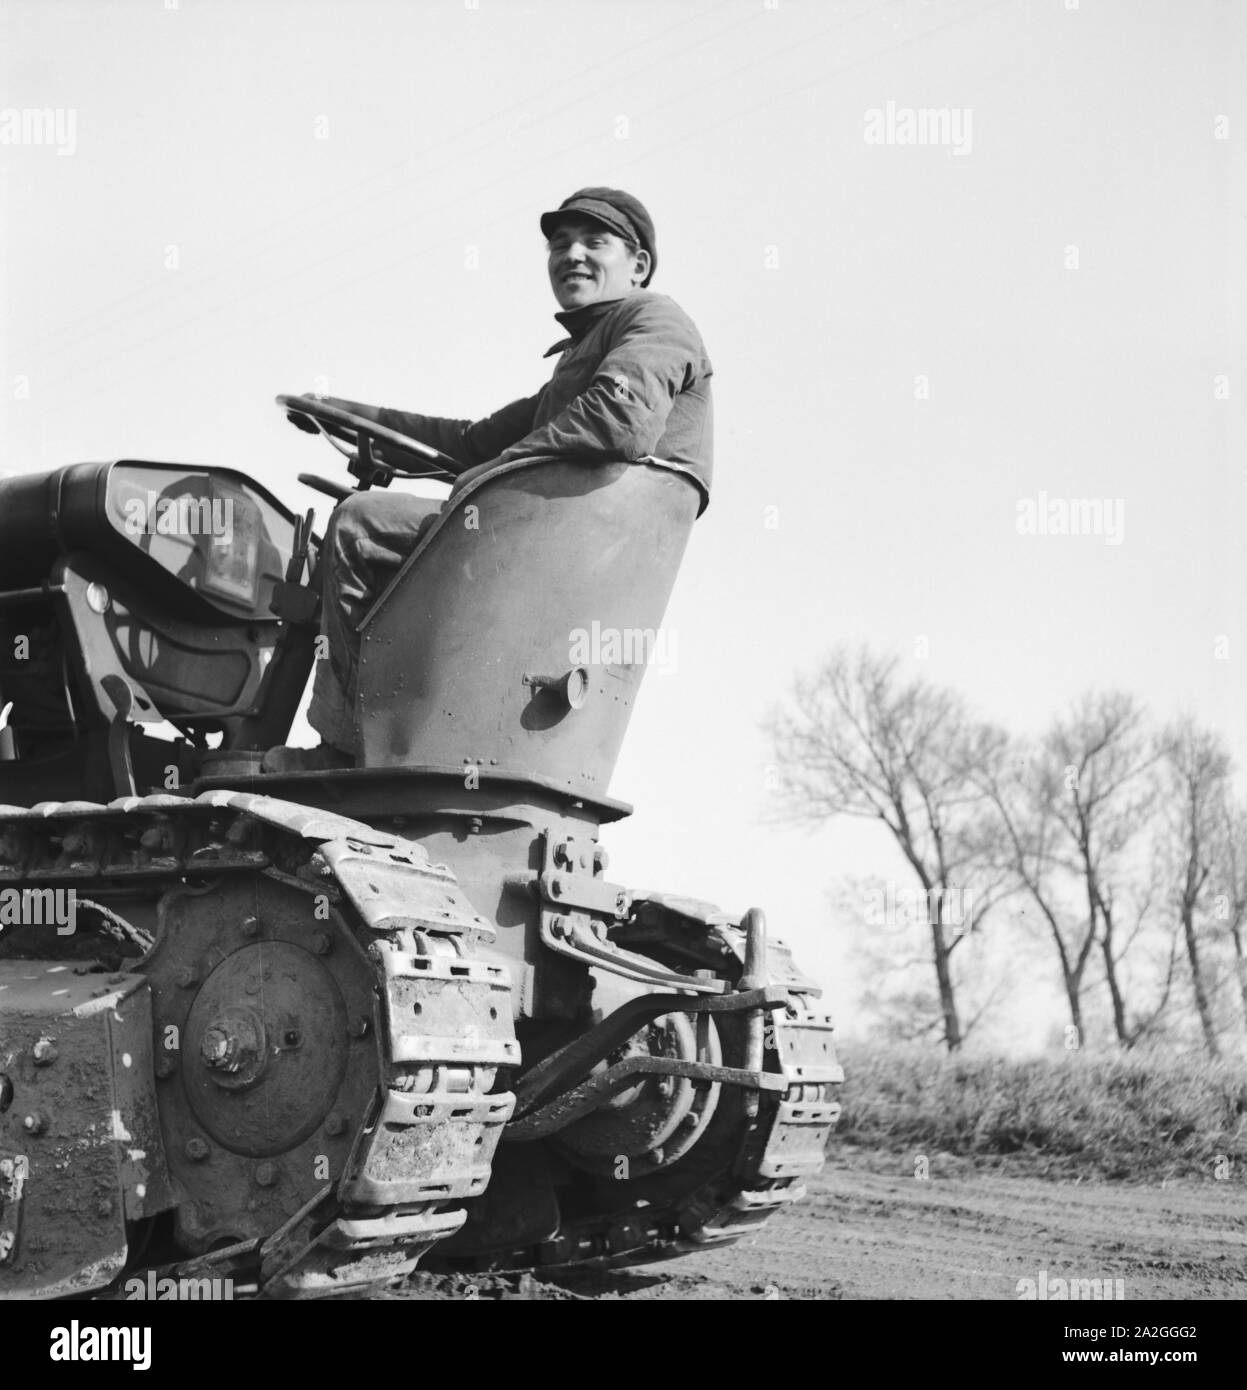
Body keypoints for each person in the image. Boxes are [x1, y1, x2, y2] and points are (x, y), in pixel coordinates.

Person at [264, 187, 713, 773]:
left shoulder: (655, 320)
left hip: (554, 547)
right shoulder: (584, 357)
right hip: (548, 544)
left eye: (594, 242)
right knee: (376, 522)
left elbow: (618, 421)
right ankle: (389, 730)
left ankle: (347, 750)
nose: (571, 255)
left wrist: (484, 480)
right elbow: (473, 441)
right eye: (559, 244)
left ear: (639, 264)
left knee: (358, 523)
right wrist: (343, 411)